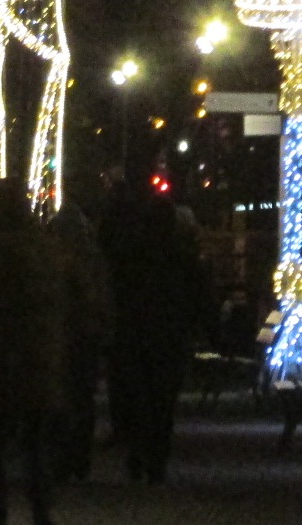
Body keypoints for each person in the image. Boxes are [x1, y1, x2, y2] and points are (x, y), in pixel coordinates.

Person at [99, 177, 210, 484]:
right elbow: (198, 295)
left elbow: (117, 291)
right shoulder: (182, 257)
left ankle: (137, 453)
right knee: (163, 401)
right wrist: (202, 327)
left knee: (138, 397)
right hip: (170, 336)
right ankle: (157, 459)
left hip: (135, 335)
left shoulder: (132, 255)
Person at [0, 179, 66, 525]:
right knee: (35, 442)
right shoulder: (46, 247)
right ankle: (41, 507)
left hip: (4, 358)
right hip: (41, 357)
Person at [47, 199, 110, 481]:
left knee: (62, 395)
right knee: (82, 396)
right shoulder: (91, 259)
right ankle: (78, 456)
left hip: (61, 333)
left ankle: (63, 456)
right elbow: (101, 297)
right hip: (84, 333)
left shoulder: (51, 259)